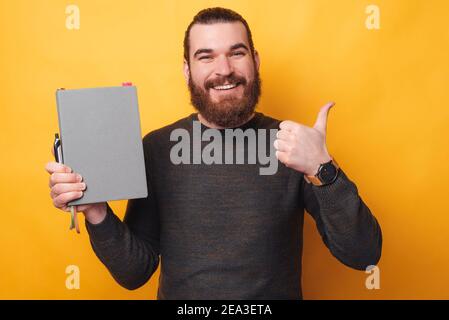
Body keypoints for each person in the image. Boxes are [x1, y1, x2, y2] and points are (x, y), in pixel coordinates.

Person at [45, 7, 382, 299]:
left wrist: (324, 169)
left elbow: (364, 254)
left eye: (237, 53)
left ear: (255, 61)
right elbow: (135, 273)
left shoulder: (294, 145)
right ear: (187, 70)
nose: (224, 69)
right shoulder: (157, 149)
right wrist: (95, 211)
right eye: (206, 56)